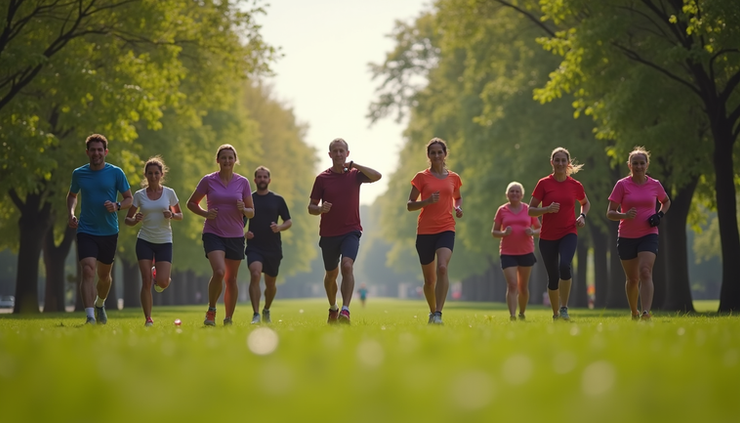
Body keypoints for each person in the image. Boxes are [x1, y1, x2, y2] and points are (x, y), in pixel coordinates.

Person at [308, 138, 382, 324]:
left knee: (347, 266)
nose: (339, 154)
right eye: (335, 151)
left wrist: (354, 165)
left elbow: (377, 176)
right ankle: (333, 307)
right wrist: (320, 209)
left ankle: (346, 311)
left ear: (347, 153)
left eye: (342, 151)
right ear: (330, 154)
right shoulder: (322, 179)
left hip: (351, 230)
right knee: (331, 275)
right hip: (328, 234)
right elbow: (311, 207)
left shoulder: (355, 175)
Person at [67, 134, 133, 325]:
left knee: (104, 277)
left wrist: (117, 205)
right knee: (88, 270)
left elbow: (129, 199)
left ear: (105, 152)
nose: (96, 153)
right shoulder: (79, 173)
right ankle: (89, 317)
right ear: (87, 152)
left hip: (109, 231)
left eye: (99, 150)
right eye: (93, 150)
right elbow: (72, 195)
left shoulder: (116, 173)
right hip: (86, 229)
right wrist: (71, 213)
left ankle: (100, 304)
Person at [186, 144, 254, 326]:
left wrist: (244, 208)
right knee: (219, 271)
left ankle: (229, 318)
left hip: (235, 235)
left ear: (235, 160)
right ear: (217, 160)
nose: (227, 161)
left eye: (230, 157)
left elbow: (251, 212)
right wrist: (205, 213)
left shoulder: (243, 182)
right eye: (223, 157)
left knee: (231, 279)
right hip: (213, 232)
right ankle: (211, 310)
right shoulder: (208, 180)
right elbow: (191, 203)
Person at [607, 147, 670, 320]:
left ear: (647, 164)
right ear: (629, 165)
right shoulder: (622, 185)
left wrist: (659, 215)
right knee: (633, 279)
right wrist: (624, 215)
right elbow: (610, 213)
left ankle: (646, 312)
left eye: (642, 163)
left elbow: (665, 201)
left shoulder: (655, 184)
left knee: (645, 272)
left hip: (649, 234)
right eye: (635, 163)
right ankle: (634, 311)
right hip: (626, 236)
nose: (639, 166)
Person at [528, 147, 590, 321]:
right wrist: (546, 209)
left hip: (569, 232)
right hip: (547, 236)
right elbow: (530, 210)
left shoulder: (575, 185)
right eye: (557, 160)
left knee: (565, 266)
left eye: (564, 160)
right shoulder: (543, 184)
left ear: (568, 163)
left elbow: (585, 203)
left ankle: (564, 308)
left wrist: (582, 216)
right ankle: (555, 313)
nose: (560, 163)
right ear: (552, 162)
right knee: (553, 277)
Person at [407, 138, 463, 325]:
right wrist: (426, 202)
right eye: (433, 153)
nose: (437, 155)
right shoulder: (421, 177)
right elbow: (410, 205)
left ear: (445, 154)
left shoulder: (453, 178)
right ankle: (432, 312)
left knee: (442, 268)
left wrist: (458, 208)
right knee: (429, 281)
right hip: (425, 231)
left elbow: (458, 197)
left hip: (446, 227)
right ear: (429, 156)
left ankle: (438, 312)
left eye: (440, 152)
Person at [124, 156, 183, 327]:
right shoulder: (139, 195)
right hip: (145, 240)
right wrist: (135, 220)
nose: (153, 176)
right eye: (150, 173)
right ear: (146, 175)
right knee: (146, 280)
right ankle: (148, 318)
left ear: (161, 174)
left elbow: (180, 215)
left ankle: (157, 273)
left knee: (163, 282)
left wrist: (172, 215)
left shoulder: (169, 193)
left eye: (156, 173)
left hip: (164, 241)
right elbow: (128, 220)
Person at [245, 166, 292, 324]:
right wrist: (244, 234)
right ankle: (256, 314)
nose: (262, 179)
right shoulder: (249, 199)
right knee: (255, 274)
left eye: (265, 177)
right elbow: (239, 222)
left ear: (269, 180)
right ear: (255, 180)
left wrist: (279, 227)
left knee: (270, 284)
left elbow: (288, 221)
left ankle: (266, 309)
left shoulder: (277, 200)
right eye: (259, 177)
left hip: (273, 248)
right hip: (254, 246)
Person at [491, 182, 541, 321]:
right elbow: (494, 232)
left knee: (523, 287)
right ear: (507, 194)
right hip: (507, 252)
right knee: (512, 284)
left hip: (526, 251)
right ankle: (512, 315)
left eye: (517, 191)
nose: (514, 194)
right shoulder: (502, 210)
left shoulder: (528, 209)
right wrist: (503, 233)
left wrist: (532, 231)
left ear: (522, 195)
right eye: (512, 191)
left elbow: (540, 229)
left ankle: (522, 313)